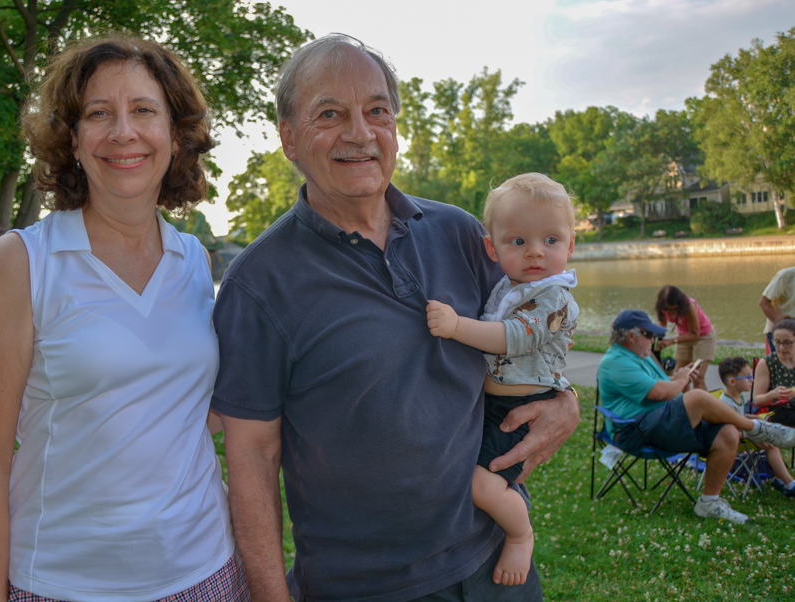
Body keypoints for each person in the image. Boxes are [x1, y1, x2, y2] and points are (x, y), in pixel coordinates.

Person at [210, 34, 579, 602]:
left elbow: (530, 328)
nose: (360, 133)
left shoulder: (460, 233)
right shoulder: (259, 284)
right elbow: (253, 459)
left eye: (377, 111)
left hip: (495, 563)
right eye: (329, 114)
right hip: (365, 587)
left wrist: (565, 400)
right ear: (288, 138)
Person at [0, 37, 247, 602]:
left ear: (175, 133)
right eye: (98, 114)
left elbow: (182, 406)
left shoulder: (193, 259)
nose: (123, 132)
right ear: (72, 138)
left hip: (206, 573)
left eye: (144, 110)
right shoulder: (23, 262)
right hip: (63, 584)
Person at [426, 173, 578, 586]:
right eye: (518, 241)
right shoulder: (510, 288)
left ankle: (520, 534)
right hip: (493, 404)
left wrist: (456, 326)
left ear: (570, 246)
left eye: (551, 240)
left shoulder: (554, 297)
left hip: (521, 408)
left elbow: (514, 337)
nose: (535, 252)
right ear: (492, 249)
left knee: (483, 484)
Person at [597, 310, 795, 524]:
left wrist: (678, 378)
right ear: (631, 335)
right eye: (649, 335)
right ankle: (757, 428)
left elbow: (663, 387)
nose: (653, 340)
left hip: (658, 424)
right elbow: (661, 393)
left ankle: (709, 503)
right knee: (698, 397)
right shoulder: (616, 361)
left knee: (728, 432)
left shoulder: (640, 356)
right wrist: (681, 380)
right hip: (633, 431)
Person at [718, 356, 795, 497]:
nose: (752, 380)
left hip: (743, 434)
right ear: (732, 381)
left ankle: (781, 479)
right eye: (747, 377)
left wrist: (753, 418)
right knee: (771, 442)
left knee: (770, 436)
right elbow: (728, 431)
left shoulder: (738, 396)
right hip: (734, 440)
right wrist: (754, 437)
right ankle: (788, 483)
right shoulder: (726, 404)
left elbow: (739, 417)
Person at [653, 285, 716, 391]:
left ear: (680, 304)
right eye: (667, 310)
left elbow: (695, 333)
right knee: (680, 375)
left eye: (674, 309)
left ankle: (703, 401)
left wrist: (671, 341)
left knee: (697, 377)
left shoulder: (689, 306)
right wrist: (656, 338)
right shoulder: (661, 304)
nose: (670, 313)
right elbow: (662, 322)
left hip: (703, 337)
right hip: (684, 336)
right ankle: (686, 400)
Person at [753, 317, 795, 427]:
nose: (781, 348)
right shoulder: (767, 363)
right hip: (781, 413)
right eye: (777, 342)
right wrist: (773, 394)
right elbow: (757, 400)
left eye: (787, 343)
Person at [760, 267, 795, 354]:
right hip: (780, 334)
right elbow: (764, 302)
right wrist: (781, 325)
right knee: (780, 362)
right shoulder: (784, 276)